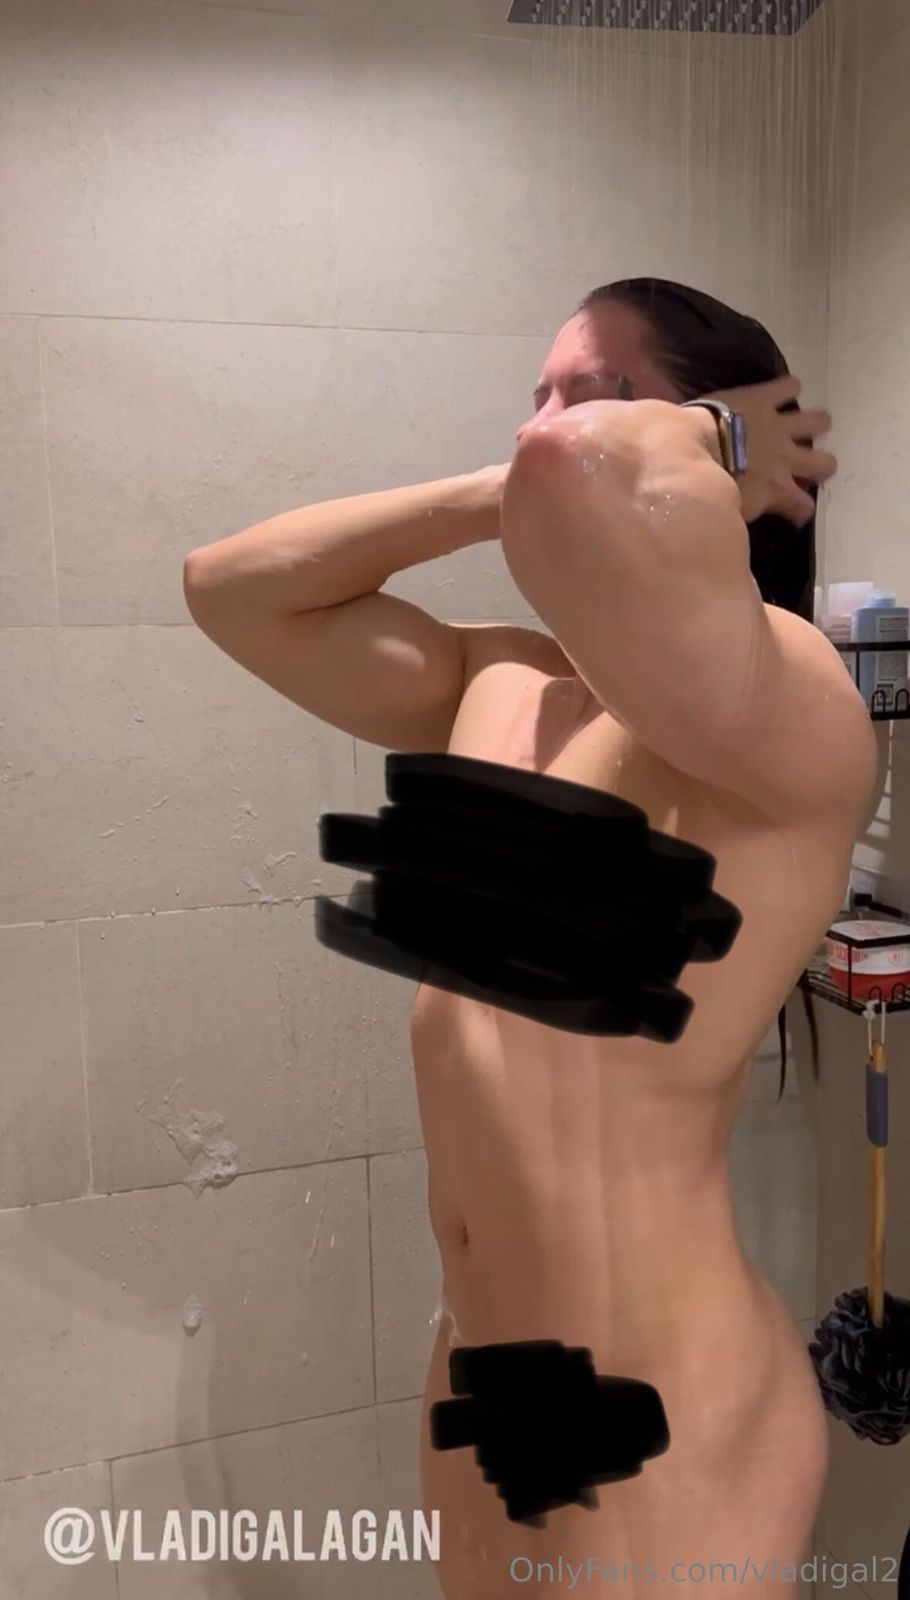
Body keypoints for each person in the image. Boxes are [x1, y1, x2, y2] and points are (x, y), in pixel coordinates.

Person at [183, 279, 877, 1598]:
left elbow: (583, 477)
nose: (544, 427)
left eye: (600, 392)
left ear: (720, 443)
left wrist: (705, 442)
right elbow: (231, 591)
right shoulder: (499, 684)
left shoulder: (783, 704)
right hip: (484, 1373)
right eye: (537, 394)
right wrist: (495, 487)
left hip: (657, 1401)